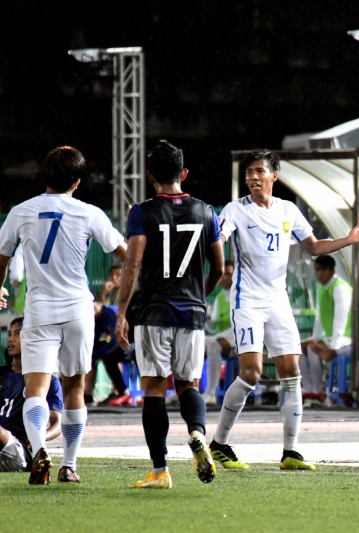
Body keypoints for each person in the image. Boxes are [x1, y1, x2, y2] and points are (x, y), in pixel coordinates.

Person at [208, 150, 359, 471]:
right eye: (249, 173)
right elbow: (218, 236)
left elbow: (313, 247)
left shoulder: (288, 211)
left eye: (259, 171)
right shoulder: (236, 210)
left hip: (278, 301)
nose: (253, 177)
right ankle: (219, 443)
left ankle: (291, 452)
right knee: (251, 373)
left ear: (274, 176)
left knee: (292, 375)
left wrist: (348, 239)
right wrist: (208, 235)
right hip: (247, 301)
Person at [0, 146, 127, 484]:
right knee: (74, 390)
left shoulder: (21, 211)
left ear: (45, 175)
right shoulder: (89, 213)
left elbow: (2, 258)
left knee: (35, 389)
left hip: (39, 310)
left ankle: (39, 448)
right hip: (78, 310)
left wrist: (0, 288)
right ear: (77, 181)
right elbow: (126, 254)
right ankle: (68, 465)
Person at [114, 140, 225, 489]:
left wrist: (121, 312)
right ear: (184, 174)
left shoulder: (142, 212)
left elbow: (132, 264)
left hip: (153, 311)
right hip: (191, 311)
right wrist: (197, 297)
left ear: (150, 176)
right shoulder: (207, 211)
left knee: (154, 389)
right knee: (189, 383)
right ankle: (196, 433)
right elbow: (219, 267)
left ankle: (160, 471)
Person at [0, 317, 63, 475]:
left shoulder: (48, 381)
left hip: (18, 449)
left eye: (17, 334)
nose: (11, 339)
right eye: (9, 334)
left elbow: (57, 424)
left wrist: (40, 438)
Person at [298, 254, 357, 404]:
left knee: (312, 349)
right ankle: (309, 389)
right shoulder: (321, 288)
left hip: (347, 337)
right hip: (331, 337)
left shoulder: (339, 288)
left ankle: (318, 392)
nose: (319, 274)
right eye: (317, 270)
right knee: (299, 349)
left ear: (331, 270)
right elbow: (319, 317)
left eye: (323, 270)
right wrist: (316, 337)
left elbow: (341, 318)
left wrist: (334, 345)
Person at [85, 301, 133, 407]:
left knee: (111, 357)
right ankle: (87, 394)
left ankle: (117, 392)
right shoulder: (94, 319)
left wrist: (98, 352)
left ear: (99, 303)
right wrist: (93, 353)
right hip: (107, 347)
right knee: (91, 359)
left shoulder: (109, 315)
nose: (92, 311)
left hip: (123, 344)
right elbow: (95, 340)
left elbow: (114, 340)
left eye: (93, 307)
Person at [202, 260, 236, 405]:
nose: (224, 278)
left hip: (238, 337)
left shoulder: (241, 294)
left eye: (228, 274)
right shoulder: (219, 297)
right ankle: (184, 391)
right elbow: (214, 326)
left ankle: (210, 393)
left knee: (213, 345)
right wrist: (205, 322)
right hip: (221, 337)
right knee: (195, 343)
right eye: (222, 274)